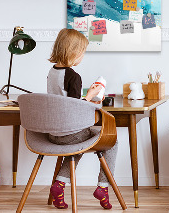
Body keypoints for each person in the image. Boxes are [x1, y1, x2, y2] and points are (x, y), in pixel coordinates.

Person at [47, 28, 117, 210]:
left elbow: (64, 101)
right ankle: (103, 187)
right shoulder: (73, 76)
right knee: (112, 141)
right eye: (83, 52)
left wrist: (86, 96)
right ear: (74, 52)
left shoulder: (52, 72)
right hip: (70, 133)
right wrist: (91, 96)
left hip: (53, 133)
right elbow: (74, 108)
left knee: (78, 144)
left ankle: (59, 185)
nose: (82, 56)